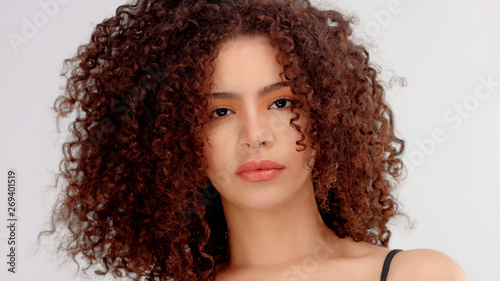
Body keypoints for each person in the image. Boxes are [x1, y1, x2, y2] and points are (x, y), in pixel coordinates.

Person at [45, 0, 468, 280]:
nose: (255, 136)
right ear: (174, 138)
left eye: (282, 103)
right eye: (220, 112)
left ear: (328, 115)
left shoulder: (417, 275)